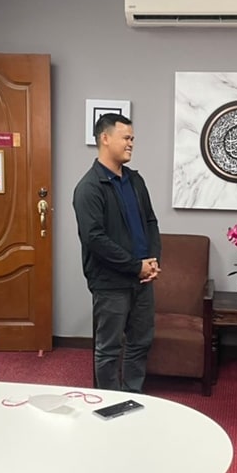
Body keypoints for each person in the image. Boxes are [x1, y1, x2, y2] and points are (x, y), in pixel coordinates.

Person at [73, 113, 161, 393]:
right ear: (105, 138)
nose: (131, 143)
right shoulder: (88, 188)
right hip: (110, 283)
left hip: (142, 280)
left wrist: (153, 260)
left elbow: (151, 221)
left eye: (133, 138)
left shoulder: (135, 181)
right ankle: (108, 401)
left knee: (140, 342)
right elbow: (95, 239)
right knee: (109, 349)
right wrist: (136, 266)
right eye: (126, 138)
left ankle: (132, 394)